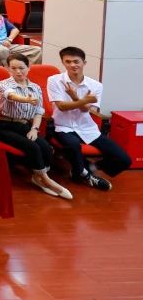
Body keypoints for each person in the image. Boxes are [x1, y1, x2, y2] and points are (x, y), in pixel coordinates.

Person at [47, 46, 133, 191]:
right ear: (63, 63)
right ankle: (85, 175)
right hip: (62, 126)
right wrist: (84, 100)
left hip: (87, 127)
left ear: (84, 63)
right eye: (68, 62)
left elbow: (85, 109)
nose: (72, 65)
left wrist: (75, 98)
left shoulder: (95, 85)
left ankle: (89, 168)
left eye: (76, 61)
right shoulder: (54, 80)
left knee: (124, 159)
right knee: (73, 145)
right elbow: (61, 106)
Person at [0, 54, 72, 200]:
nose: (18, 71)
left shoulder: (35, 88)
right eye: (13, 68)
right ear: (8, 69)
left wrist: (34, 129)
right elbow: (10, 95)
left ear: (28, 68)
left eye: (21, 68)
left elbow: (38, 111)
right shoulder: (4, 84)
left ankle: (38, 177)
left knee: (46, 147)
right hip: (6, 125)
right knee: (33, 147)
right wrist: (26, 99)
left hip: (26, 125)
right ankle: (47, 181)